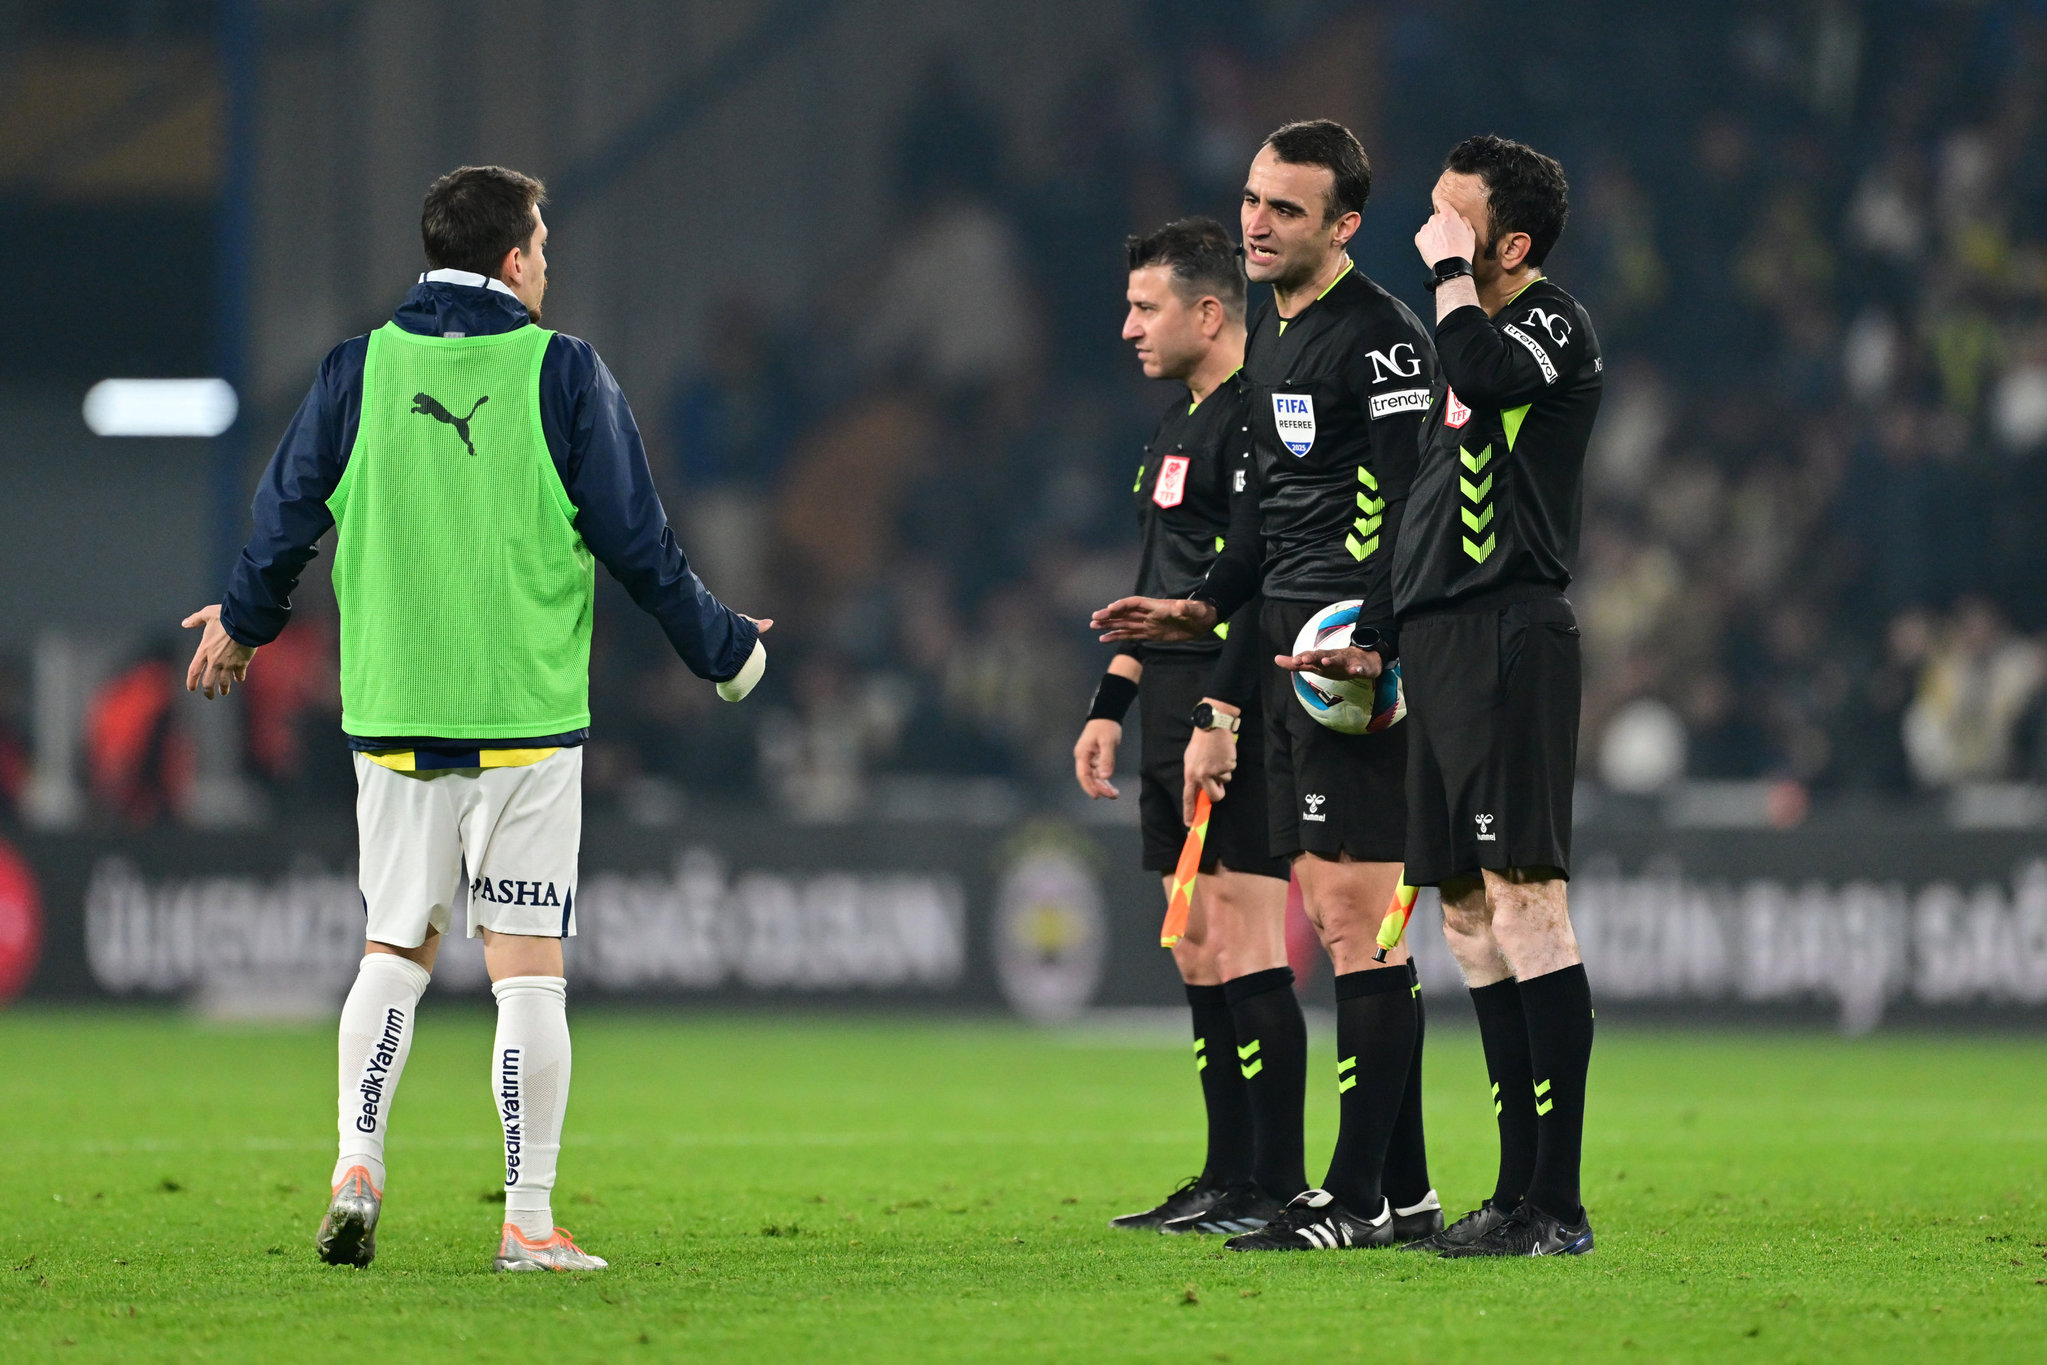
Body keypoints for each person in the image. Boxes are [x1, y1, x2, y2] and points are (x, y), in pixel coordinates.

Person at [181, 165, 770, 1273]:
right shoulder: (562, 373)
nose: (548, 264)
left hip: (396, 710)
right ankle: (527, 1222)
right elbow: (642, 547)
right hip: (524, 715)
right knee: (527, 967)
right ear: (512, 259)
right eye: (541, 246)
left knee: (393, 947)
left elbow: (284, 515)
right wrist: (730, 652)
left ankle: (358, 1164)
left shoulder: (358, 368)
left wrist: (247, 622)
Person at [1093, 121, 1440, 1252]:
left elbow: (1413, 508)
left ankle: (1350, 1197)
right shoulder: (1274, 344)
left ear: (1343, 225)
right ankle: (1401, 1191)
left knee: (1351, 922)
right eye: (1251, 199)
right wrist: (1200, 618)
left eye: (1285, 209)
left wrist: (1378, 644)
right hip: (1281, 644)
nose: (1256, 221)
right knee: (1333, 913)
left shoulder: (1381, 341)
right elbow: (1257, 537)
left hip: (1347, 652)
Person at [1299, 135, 1601, 1256]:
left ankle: (1556, 1205)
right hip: (1434, 645)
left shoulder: (1545, 323)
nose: (1428, 232)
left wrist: (1443, 281)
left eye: (1450, 217)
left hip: (1512, 632)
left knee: (1528, 903)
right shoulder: (1455, 342)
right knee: (1468, 919)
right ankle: (1514, 1193)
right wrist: (1374, 637)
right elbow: (1424, 507)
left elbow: (1484, 373)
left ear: (1508, 243)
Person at [1074, 218, 1292, 1235]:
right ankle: (1222, 1172)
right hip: (1161, 707)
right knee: (1197, 946)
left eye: (1144, 306)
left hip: (1223, 705)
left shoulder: (1258, 419)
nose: (1127, 327)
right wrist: (1107, 706)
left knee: (1247, 939)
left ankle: (1274, 1181)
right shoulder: (1171, 426)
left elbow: (1258, 587)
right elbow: (1151, 586)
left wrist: (1220, 710)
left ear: (1209, 311)